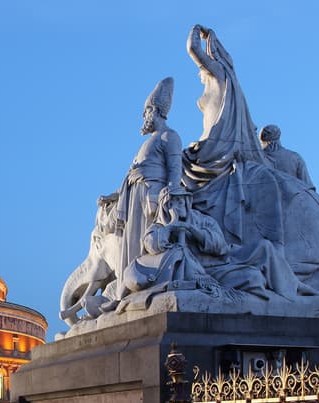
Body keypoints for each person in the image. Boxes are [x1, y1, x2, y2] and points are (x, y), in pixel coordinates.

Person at [113, 76, 183, 294]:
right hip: (134, 197)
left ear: (154, 110)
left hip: (150, 198)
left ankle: (145, 281)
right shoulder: (149, 140)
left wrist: (167, 197)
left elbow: (174, 170)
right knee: (131, 244)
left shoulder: (169, 136)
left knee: (144, 245)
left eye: (145, 112)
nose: (144, 117)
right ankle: (129, 283)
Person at [183, 24, 265, 187]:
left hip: (215, 146)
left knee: (180, 165)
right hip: (217, 142)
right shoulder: (226, 81)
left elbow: (192, 48)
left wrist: (196, 30)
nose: (199, 74)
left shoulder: (218, 73)